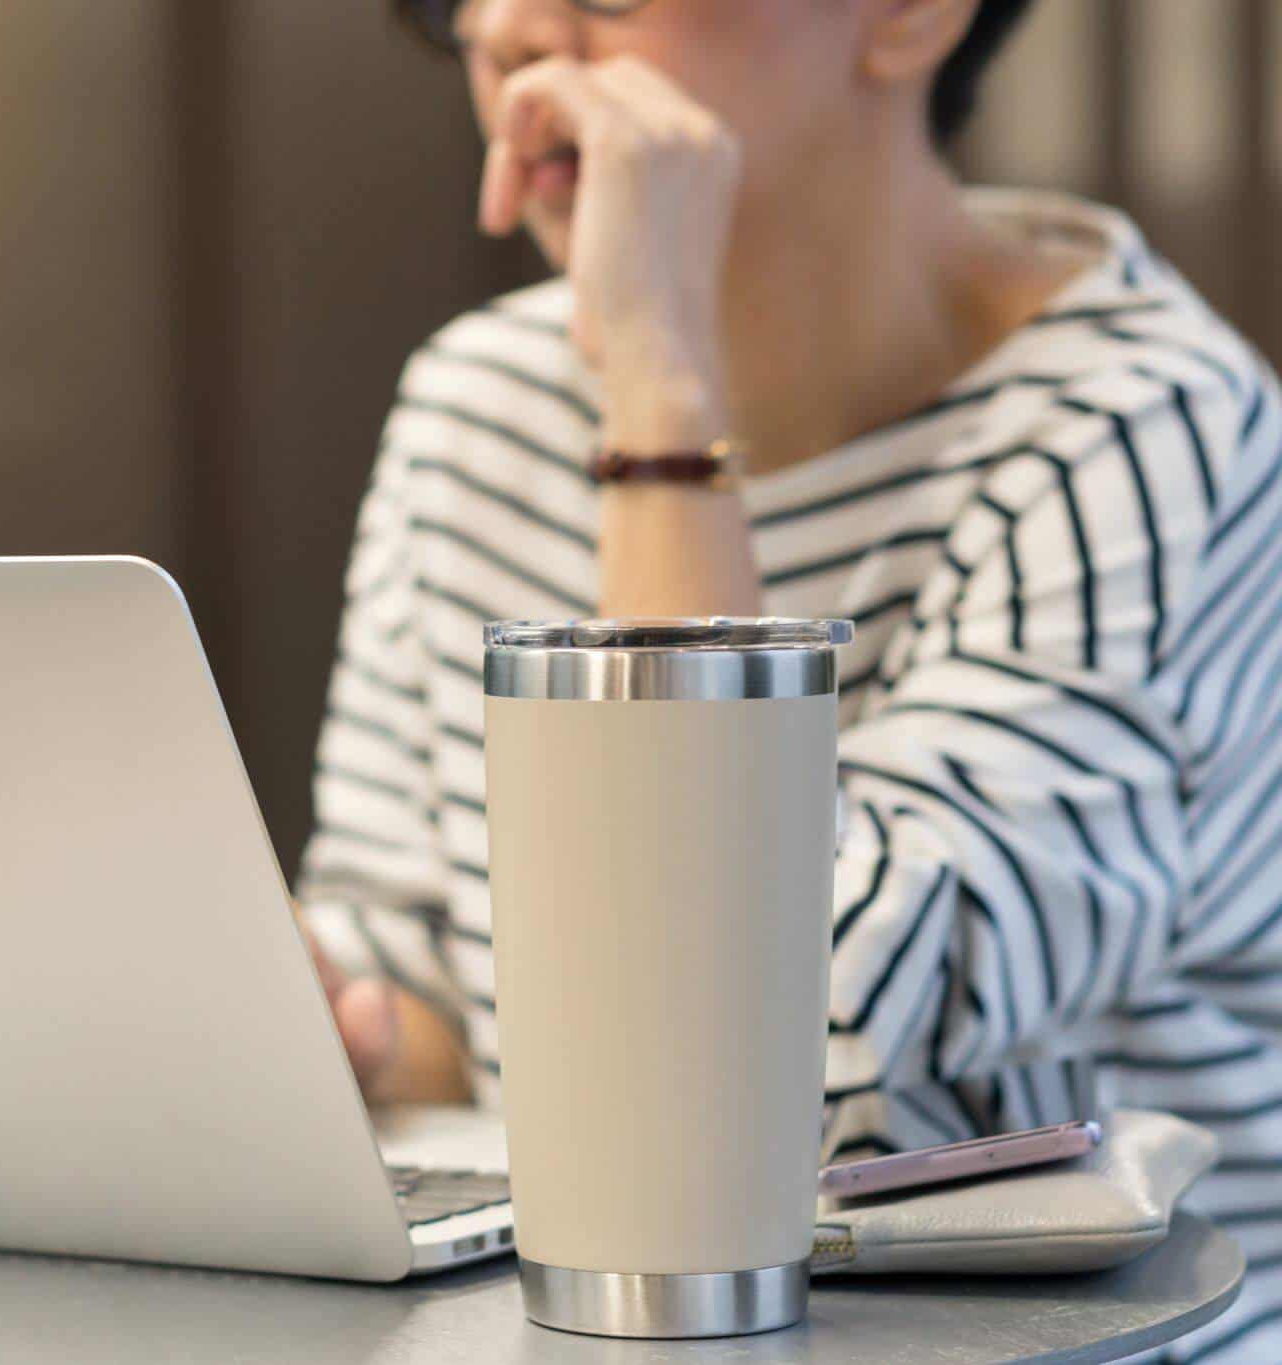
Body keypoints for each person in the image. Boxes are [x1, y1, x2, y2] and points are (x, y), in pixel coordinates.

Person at [294, 1, 1282, 1359]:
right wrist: (306, 1020)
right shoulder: (476, 408)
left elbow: (755, 1059)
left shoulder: (1146, 429)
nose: (509, 29)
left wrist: (660, 404)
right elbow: (447, 1011)